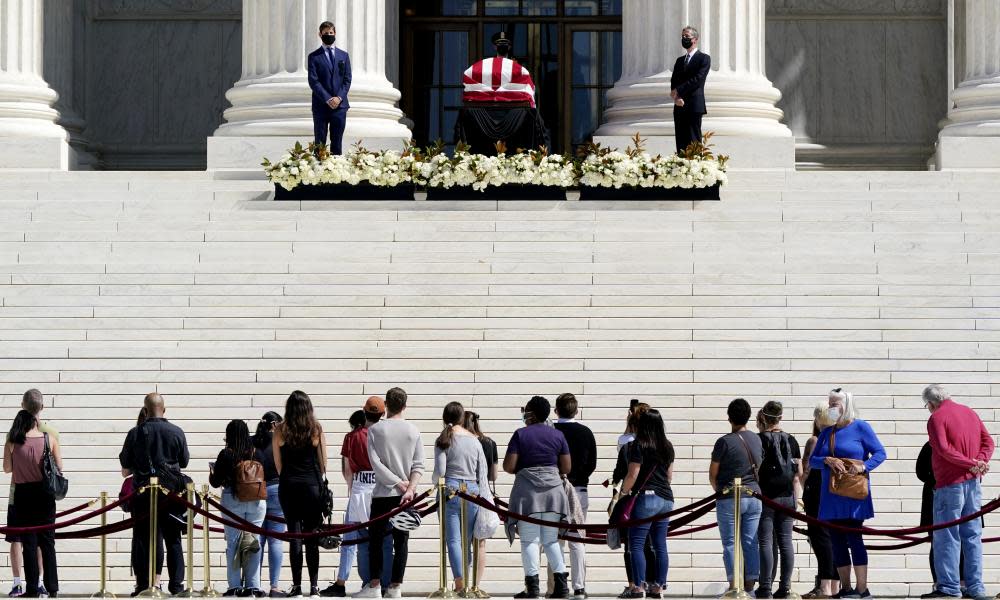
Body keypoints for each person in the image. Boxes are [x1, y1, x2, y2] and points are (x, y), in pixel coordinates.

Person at [808, 388, 887, 600]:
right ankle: (846, 587)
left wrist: (864, 467)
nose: (832, 407)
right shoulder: (826, 433)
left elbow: (880, 453)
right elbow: (811, 461)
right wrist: (827, 460)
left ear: (847, 405)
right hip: (831, 495)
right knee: (837, 541)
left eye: (836, 404)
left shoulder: (861, 427)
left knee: (854, 537)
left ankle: (863, 589)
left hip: (853, 495)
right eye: (830, 403)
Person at [921, 385, 994, 600]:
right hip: (973, 483)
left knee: (946, 536)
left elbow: (943, 449)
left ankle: (949, 586)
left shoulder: (936, 418)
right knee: (972, 536)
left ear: (931, 403)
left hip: (949, 483)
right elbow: (988, 442)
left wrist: (971, 463)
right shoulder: (969, 412)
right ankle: (976, 587)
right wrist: (980, 462)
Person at [119, 393, 190, 596]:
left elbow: (125, 462)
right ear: (164, 409)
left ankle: (144, 585)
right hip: (172, 493)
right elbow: (184, 462)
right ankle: (176, 586)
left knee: (143, 539)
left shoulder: (135, 433)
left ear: (145, 410)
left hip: (143, 493)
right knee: (173, 538)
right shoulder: (177, 432)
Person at [504, 396, 571, 600]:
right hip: (553, 493)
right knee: (551, 541)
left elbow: (509, 466)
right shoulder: (557, 435)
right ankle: (561, 586)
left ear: (530, 413)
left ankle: (532, 587)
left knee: (529, 541)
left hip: (527, 494)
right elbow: (566, 467)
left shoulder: (520, 434)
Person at [360, 387, 424, 599]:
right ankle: (396, 586)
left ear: (385, 405)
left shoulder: (376, 430)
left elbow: (375, 464)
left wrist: (397, 483)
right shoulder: (413, 431)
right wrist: (410, 488)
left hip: (382, 493)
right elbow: (419, 465)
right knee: (401, 540)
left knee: (376, 540)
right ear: (405, 405)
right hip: (406, 494)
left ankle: (375, 585)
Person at [324, 398, 388, 598]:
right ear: (383, 413)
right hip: (380, 489)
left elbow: (347, 470)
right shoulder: (386, 435)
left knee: (351, 539)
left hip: (360, 487)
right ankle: (382, 583)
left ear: (364, 411)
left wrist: (351, 490)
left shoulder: (352, 436)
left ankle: (343, 581)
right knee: (382, 540)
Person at [274, 391, 327, 598]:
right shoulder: (316, 429)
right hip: (312, 486)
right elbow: (323, 464)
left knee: (294, 535)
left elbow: (278, 465)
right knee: (312, 535)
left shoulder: (280, 430)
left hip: (288, 486)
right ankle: (314, 587)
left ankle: (296, 586)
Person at [433, 402, 490, 592]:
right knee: (467, 541)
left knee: (453, 540)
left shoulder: (444, 438)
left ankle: (459, 582)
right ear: (462, 417)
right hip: (472, 490)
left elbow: (440, 471)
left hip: (450, 489)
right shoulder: (475, 440)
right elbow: (483, 470)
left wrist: (435, 482)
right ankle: (467, 582)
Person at [3, 409, 61, 598]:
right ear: (35, 422)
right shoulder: (49, 439)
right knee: (48, 542)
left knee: (29, 542)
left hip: (23, 494)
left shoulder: (12, 441)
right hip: (44, 494)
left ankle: (32, 588)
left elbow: (7, 469)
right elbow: (59, 467)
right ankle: (52, 588)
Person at [619, 410, 675, 600]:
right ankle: (658, 587)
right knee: (660, 544)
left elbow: (632, 475)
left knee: (636, 543)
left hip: (646, 498)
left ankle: (639, 587)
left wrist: (623, 494)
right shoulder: (668, 446)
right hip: (666, 499)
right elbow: (669, 477)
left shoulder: (638, 445)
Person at [709, 398, 763, 594]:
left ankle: (734, 586)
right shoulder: (757, 439)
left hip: (729, 496)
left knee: (730, 543)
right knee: (750, 541)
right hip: (754, 495)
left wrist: (719, 491)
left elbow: (713, 474)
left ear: (729, 417)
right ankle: (749, 586)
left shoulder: (723, 442)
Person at [211, 420, 267, 597]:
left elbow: (215, 482)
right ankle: (253, 586)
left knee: (233, 543)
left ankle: (235, 586)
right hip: (257, 501)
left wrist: (212, 472)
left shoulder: (227, 453)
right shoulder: (256, 451)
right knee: (253, 542)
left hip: (232, 499)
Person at [755, 402, 802, 599]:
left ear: (762, 418)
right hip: (788, 496)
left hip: (767, 496)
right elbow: (798, 473)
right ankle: (785, 587)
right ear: (781, 418)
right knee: (786, 542)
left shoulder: (759, 440)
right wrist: (797, 500)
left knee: (766, 541)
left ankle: (765, 587)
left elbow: (755, 470)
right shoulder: (791, 440)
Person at [553, 393, 597, 600]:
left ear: (556, 410)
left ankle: (556, 586)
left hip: (554, 490)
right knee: (577, 539)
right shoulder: (586, 432)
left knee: (555, 540)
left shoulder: (551, 431)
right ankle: (579, 587)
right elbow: (592, 464)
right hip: (579, 489)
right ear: (576, 410)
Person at [613, 402, 656, 597]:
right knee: (652, 544)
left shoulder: (627, 442)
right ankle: (653, 583)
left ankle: (634, 584)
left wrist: (621, 493)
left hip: (632, 496)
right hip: (656, 496)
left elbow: (623, 471)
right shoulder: (659, 443)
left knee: (632, 544)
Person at [802, 403, 839, 600]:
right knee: (833, 539)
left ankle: (824, 586)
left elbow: (805, 470)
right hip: (834, 492)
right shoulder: (837, 438)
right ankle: (834, 585)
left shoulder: (814, 440)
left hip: (815, 491)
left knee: (820, 538)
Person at [252, 411, 286, 598]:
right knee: (275, 540)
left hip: (256, 492)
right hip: (277, 490)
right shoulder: (281, 442)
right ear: (274, 424)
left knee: (258, 541)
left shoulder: (253, 441)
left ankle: (255, 584)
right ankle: (274, 585)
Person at [463, 411, 498, 589]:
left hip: (464, 493)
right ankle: (475, 585)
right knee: (480, 542)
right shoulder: (489, 443)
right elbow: (494, 475)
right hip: (483, 495)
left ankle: (461, 584)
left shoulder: (461, 441)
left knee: (462, 540)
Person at [307, 21, 351, 154]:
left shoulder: (344, 55)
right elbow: (313, 81)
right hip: (321, 105)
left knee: (337, 141)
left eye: (331, 33)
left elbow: (347, 79)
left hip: (340, 106)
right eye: (326, 33)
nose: (329, 35)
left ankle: (336, 172)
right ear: (320, 34)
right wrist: (328, 98)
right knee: (320, 142)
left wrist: (338, 98)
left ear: (335, 34)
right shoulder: (313, 57)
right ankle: (318, 171)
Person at [462, 30, 537, 108]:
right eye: (500, 44)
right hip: (490, 105)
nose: (502, 46)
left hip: (512, 105)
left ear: (509, 47)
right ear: (495, 47)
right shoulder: (487, 66)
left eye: (505, 44)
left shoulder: (518, 66)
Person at [669, 26, 711, 153]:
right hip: (679, 105)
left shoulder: (704, 58)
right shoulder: (680, 60)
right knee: (681, 141)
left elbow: (698, 79)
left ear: (695, 39)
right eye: (682, 36)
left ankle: (696, 169)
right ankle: (681, 168)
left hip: (694, 105)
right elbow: (674, 81)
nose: (684, 39)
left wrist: (679, 91)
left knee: (694, 140)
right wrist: (676, 97)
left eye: (687, 36)